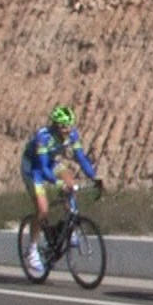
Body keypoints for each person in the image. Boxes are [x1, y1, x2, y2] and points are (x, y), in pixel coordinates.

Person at [20, 105, 101, 275]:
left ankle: (70, 225)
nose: (67, 130)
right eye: (63, 126)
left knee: (70, 181)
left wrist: (94, 177)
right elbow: (43, 168)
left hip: (51, 163)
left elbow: (81, 158)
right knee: (42, 210)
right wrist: (58, 184)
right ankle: (32, 250)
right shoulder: (43, 137)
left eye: (70, 126)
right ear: (55, 125)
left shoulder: (72, 135)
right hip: (34, 168)